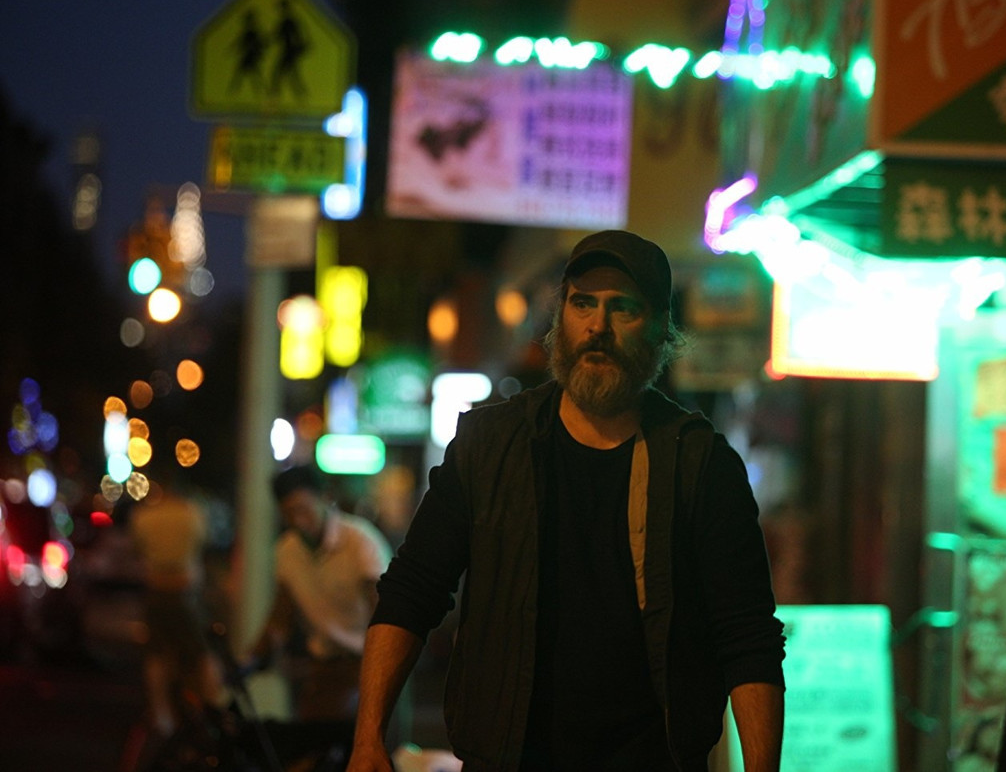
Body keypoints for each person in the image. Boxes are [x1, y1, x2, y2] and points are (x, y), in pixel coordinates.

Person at [348, 230, 786, 772]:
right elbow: (413, 590)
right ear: (561, 319)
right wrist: (368, 739)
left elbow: (747, 635)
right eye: (583, 304)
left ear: (659, 329)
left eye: (623, 308)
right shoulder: (490, 445)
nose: (598, 327)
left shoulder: (699, 462)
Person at [247, 464, 393, 724]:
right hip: (324, 665)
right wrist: (252, 657)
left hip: (371, 662)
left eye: (303, 509)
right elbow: (281, 614)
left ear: (325, 498)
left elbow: (383, 610)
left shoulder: (360, 542)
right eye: (289, 513)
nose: (298, 521)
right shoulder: (287, 551)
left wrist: (379, 670)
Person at [128, 484, 224, 738]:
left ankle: (162, 715)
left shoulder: (144, 516)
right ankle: (213, 708)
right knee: (203, 652)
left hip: (157, 588)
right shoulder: (193, 514)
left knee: (157, 653)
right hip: (186, 590)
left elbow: (137, 549)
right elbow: (205, 545)